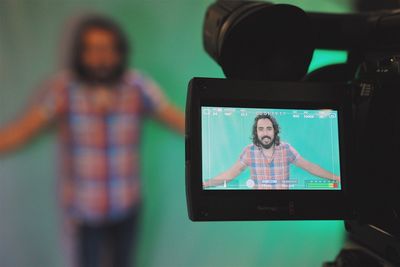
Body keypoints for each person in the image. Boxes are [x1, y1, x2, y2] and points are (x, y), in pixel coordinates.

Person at [0, 15, 184, 267]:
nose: (102, 57)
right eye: (94, 49)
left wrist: (215, 128)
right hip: (85, 211)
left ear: (120, 52)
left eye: (109, 48)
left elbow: (176, 119)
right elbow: (23, 130)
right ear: (81, 53)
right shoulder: (62, 89)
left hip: (127, 204)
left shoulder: (138, 86)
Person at [203, 113, 340, 189]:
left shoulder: (286, 149)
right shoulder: (249, 151)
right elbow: (231, 174)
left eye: (269, 128)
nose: (265, 133)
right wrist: (206, 184)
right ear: (256, 132)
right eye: (260, 129)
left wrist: (336, 178)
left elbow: (309, 166)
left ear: (275, 131)